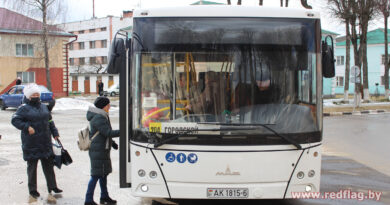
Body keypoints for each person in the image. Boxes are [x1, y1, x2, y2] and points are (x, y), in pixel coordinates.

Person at [11, 83, 62, 199]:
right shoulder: (23, 108)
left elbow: (50, 121)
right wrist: (26, 127)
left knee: (49, 166)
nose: (36, 96)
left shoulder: (44, 107)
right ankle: (33, 190)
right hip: (31, 144)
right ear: (28, 96)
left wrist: (55, 134)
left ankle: (52, 186)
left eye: (37, 94)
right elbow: (14, 120)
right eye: (33, 94)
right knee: (32, 168)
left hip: (45, 142)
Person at [85, 96, 119, 205]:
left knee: (103, 174)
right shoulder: (99, 117)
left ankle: (104, 196)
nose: (109, 106)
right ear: (103, 106)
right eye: (108, 105)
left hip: (102, 149)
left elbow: (103, 133)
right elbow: (107, 132)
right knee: (96, 175)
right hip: (98, 150)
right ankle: (88, 200)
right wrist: (125, 130)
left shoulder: (102, 115)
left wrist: (112, 143)